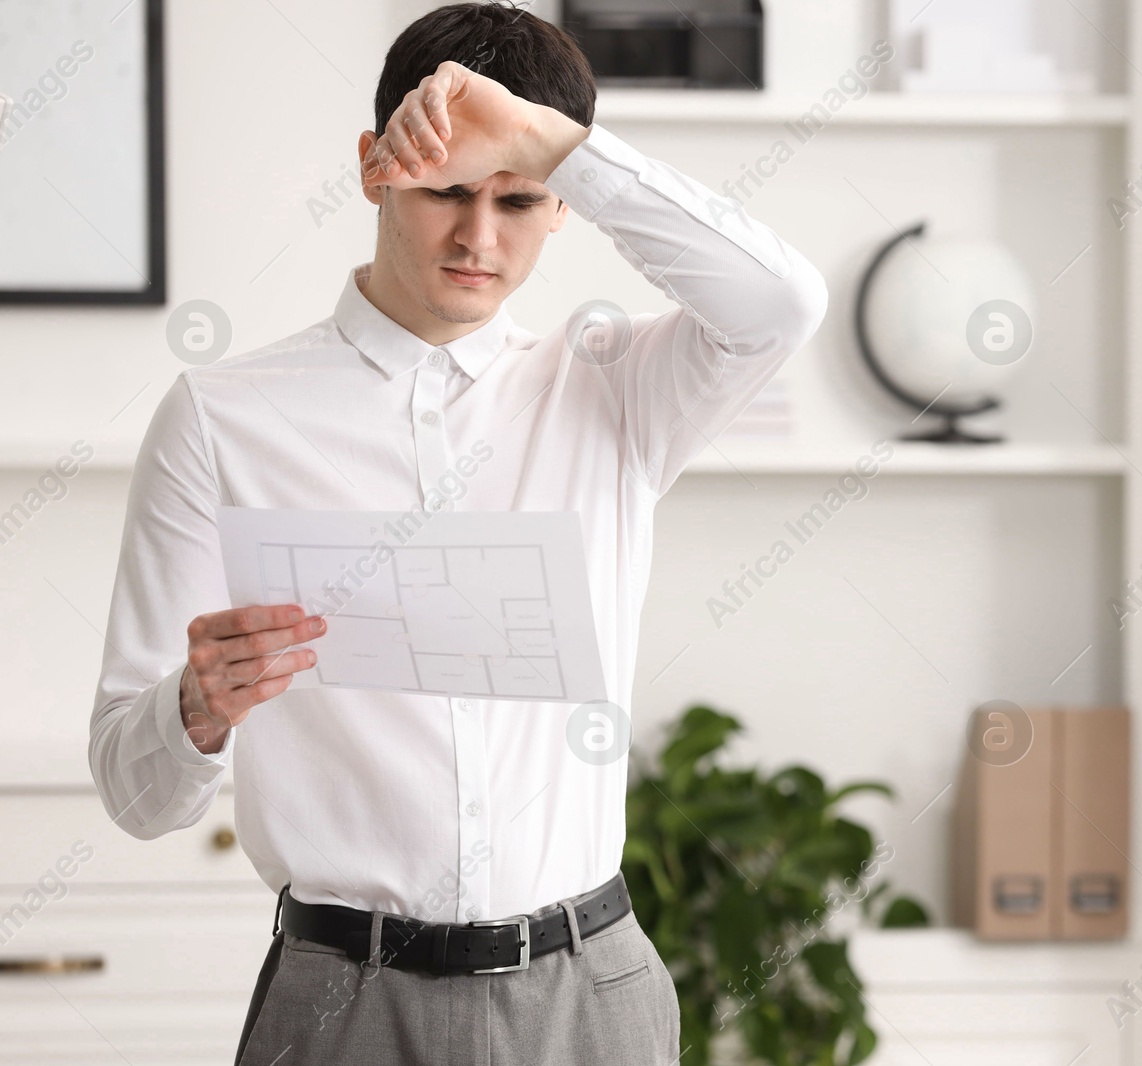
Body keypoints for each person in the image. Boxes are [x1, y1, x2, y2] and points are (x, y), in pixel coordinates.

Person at [85, 3, 828, 1063]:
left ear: (561, 200)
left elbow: (781, 302)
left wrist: (557, 145)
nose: (480, 238)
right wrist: (194, 709)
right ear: (374, 168)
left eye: (520, 198)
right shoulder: (222, 416)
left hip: (590, 997)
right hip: (339, 1002)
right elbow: (133, 789)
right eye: (444, 190)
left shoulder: (613, 386)